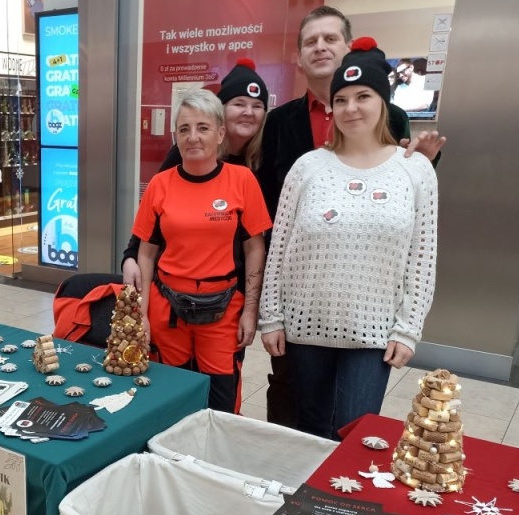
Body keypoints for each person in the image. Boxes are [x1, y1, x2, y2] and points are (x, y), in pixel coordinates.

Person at [258, 6, 447, 429]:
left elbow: (422, 258)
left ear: (383, 103)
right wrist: (271, 316)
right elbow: (280, 248)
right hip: (307, 326)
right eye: (341, 99)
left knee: (355, 432)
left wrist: (407, 329)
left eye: (364, 97)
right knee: (306, 428)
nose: (351, 108)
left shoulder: (414, 169)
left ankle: (341, 498)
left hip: (373, 331)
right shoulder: (307, 167)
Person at [132, 88, 273, 413]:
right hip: (168, 311)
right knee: (170, 397)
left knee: (221, 403)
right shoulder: (160, 185)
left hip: (223, 312)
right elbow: (146, 253)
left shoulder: (242, 180)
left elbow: (255, 248)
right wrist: (141, 315)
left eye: (203, 127)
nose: (193, 137)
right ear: (176, 136)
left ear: (220, 133)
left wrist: (250, 311)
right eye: (184, 129)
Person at [122, 58, 270, 292]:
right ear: (221, 111)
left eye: (257, 106)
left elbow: (255, 240)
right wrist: (130, 255)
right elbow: (154, 215)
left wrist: (249, 303)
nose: (248, 113)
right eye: (239, 104)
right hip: (176, 284)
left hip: (230, 289)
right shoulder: (185, 153)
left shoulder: (262, 158)